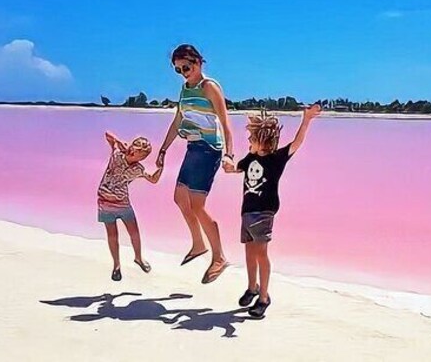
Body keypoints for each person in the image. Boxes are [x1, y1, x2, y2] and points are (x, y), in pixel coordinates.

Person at [224, 103, 322, 318]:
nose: (248, 142)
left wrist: (306, 120)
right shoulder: (251, 158)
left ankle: (264, 297)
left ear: (263, 141)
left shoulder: (276, 159)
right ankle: (252, 288)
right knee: (249, 252)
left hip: (264, 212)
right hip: (247, 213)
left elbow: (297, 143)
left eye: (252, 139)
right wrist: (228, 164)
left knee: (261, 254)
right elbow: (235, 169)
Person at [157, 44, 235, 284]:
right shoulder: (185, 89)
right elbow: (178, 119)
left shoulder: (209, 87)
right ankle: (198, 244)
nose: (183, 72)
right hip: (193, 148)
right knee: (180, 198)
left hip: (209, 150)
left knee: (198, 205)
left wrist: (230, 155)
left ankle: (219, 257)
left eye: (186, 67)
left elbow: (224, 121)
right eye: (178, 70)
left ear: (198, 62)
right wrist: (163, 149)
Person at [98, 131, 162, 281]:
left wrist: (161, 167)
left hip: (122, 202)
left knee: (134, 232)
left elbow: (153, 179)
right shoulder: (117, 154)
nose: (141, 158)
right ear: (132, 149)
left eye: (144, 156)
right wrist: (119, 141)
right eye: (140, 154)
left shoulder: (138, 169)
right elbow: (107, 134)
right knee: (113, 235)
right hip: (105, 201)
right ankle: (116, 266)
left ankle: (138, 258)